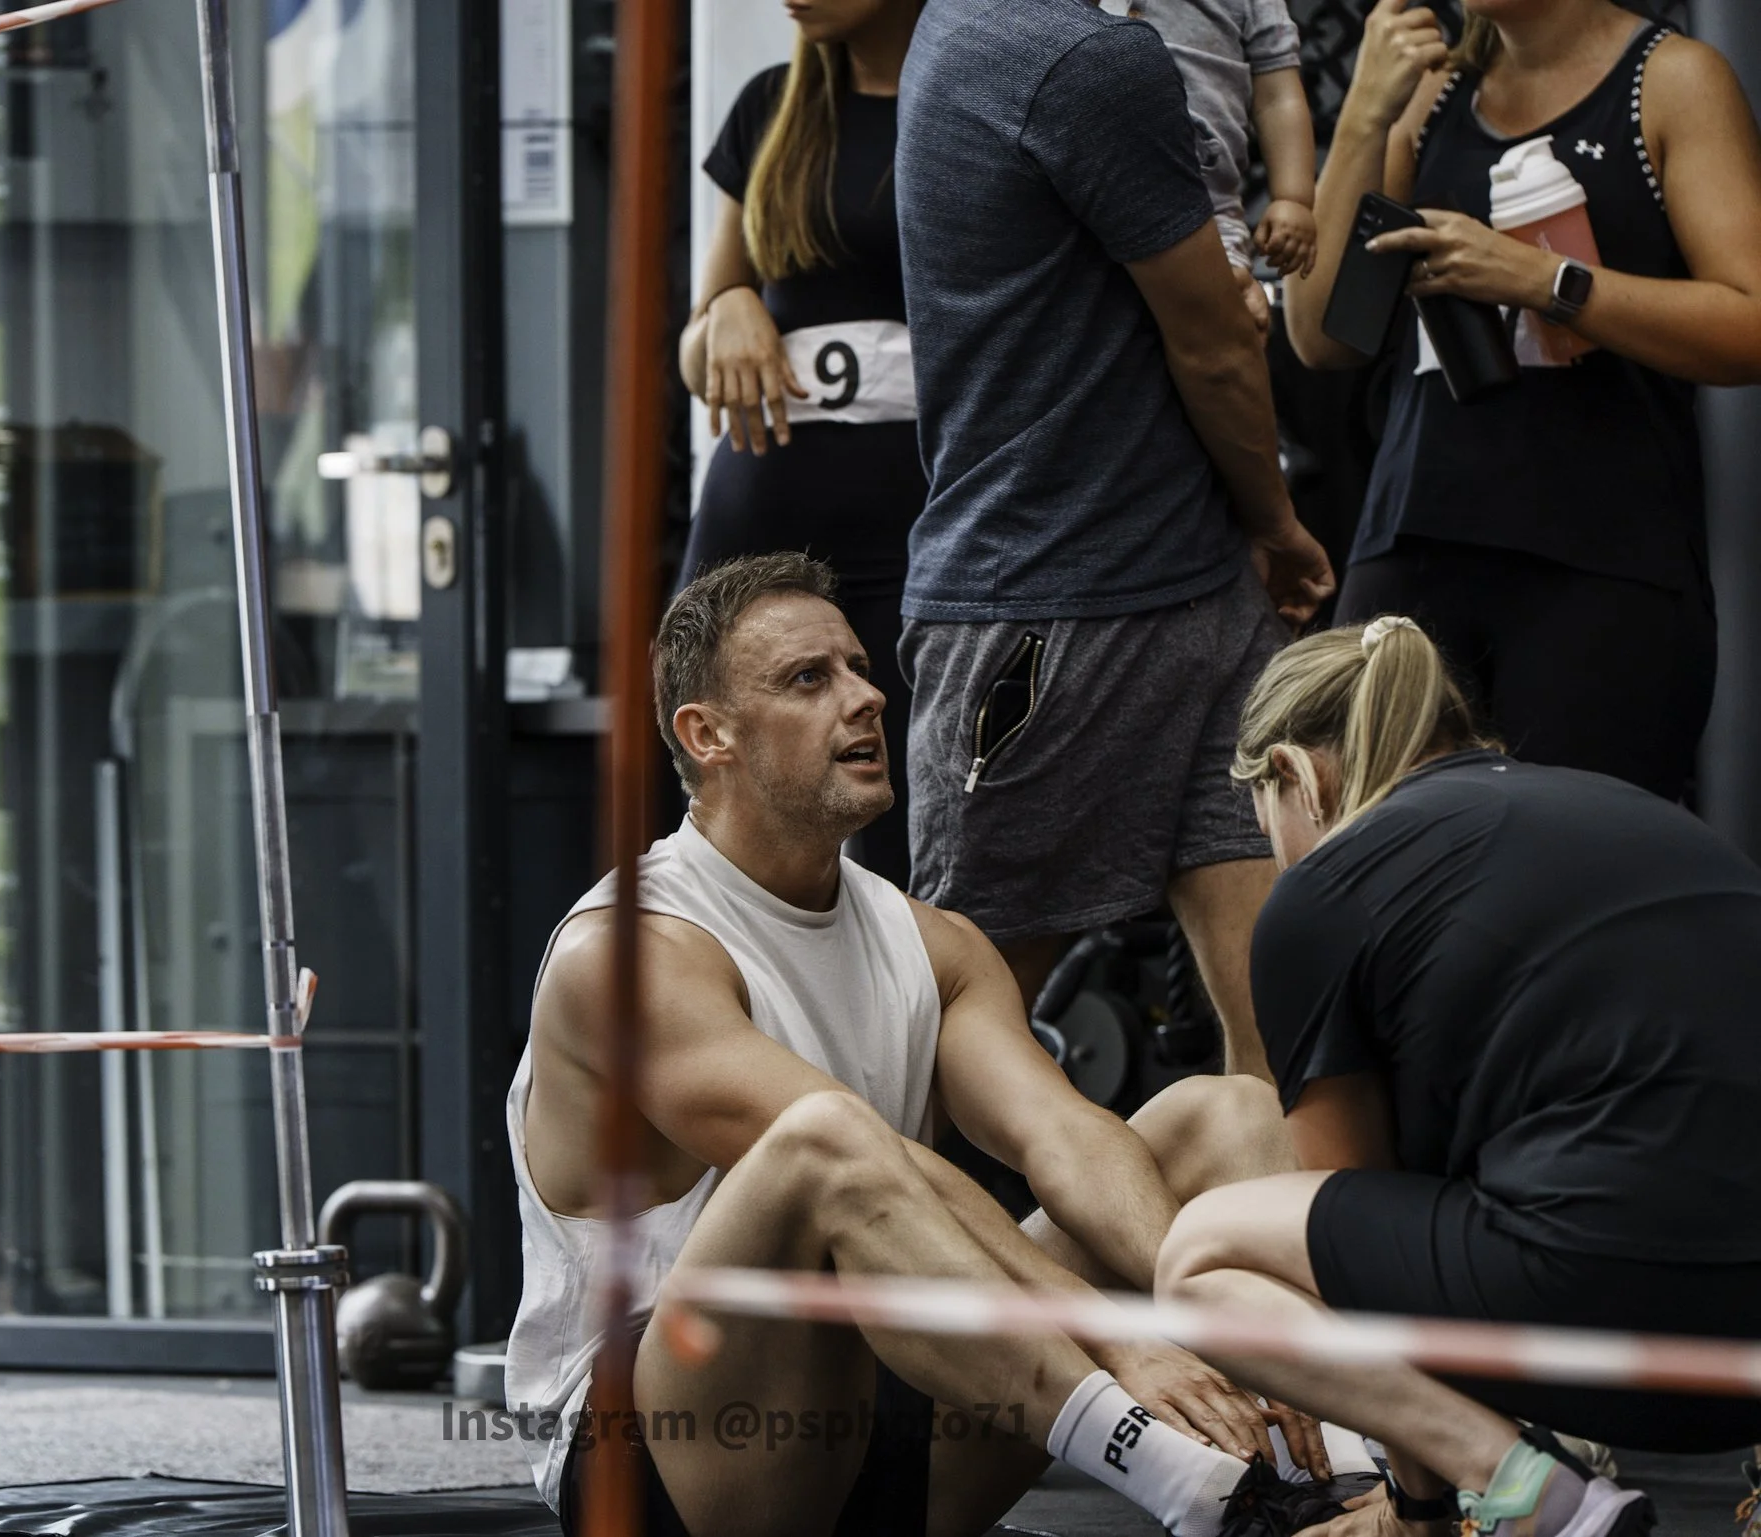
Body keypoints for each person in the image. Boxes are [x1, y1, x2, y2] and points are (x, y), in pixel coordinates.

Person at [505, 555, 1376, 1537]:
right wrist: (1118, 1338)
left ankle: (1353, 1476)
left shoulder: (933, 943)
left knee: (1225, 1114)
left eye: (857, 667)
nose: (866, 696)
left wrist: (1215, 1317)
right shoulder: (629, 955)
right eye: (808, 678)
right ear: (709, 736)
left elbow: (1063, 1138)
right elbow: (859, 1160)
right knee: (823, 1140)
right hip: (674, 1456)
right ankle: (1193, 1487)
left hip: (902, 1422)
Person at [1154, 616, 1761, 1537]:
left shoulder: (1325, 889)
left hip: (1621, 1322)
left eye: (1263, 820)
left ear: (1294, 774)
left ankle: (1526, 1496)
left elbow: (1356, 1235)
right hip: (1738, 1373)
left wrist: (1417, 1504)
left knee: (1202, 1251)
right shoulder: (1638, 812)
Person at [892, 0, 1336, 1077]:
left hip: (1179, 582)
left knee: (1284, 1033)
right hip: (1051, 607)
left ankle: (1253, 1202)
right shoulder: (1081, 60)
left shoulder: (962, 26)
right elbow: (1215, 343)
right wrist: (1274, 521)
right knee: (955, 1046)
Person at [1283, 0, 1761, 804]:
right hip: (1413, 538)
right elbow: (1322, 337)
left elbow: (1749, 322)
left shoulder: (1670, 79)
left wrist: (1544, 280)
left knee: (1572, 857)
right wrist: (1364, 114)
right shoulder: (1430, 89)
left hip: (1601, 557)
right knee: (1376, 845)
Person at [676, 0, 925, 885]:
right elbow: (696, 358)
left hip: (920, 527)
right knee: (716, 801)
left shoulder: (970, 101)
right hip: (758, 515)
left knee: (902, 819)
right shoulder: (772, 106)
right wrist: (728, 308)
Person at [1098, 0, 1322, 335]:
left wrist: (1294, 198)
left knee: (1228, 324)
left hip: (1210, 208)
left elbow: (1279, 97)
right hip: (1094, 194)